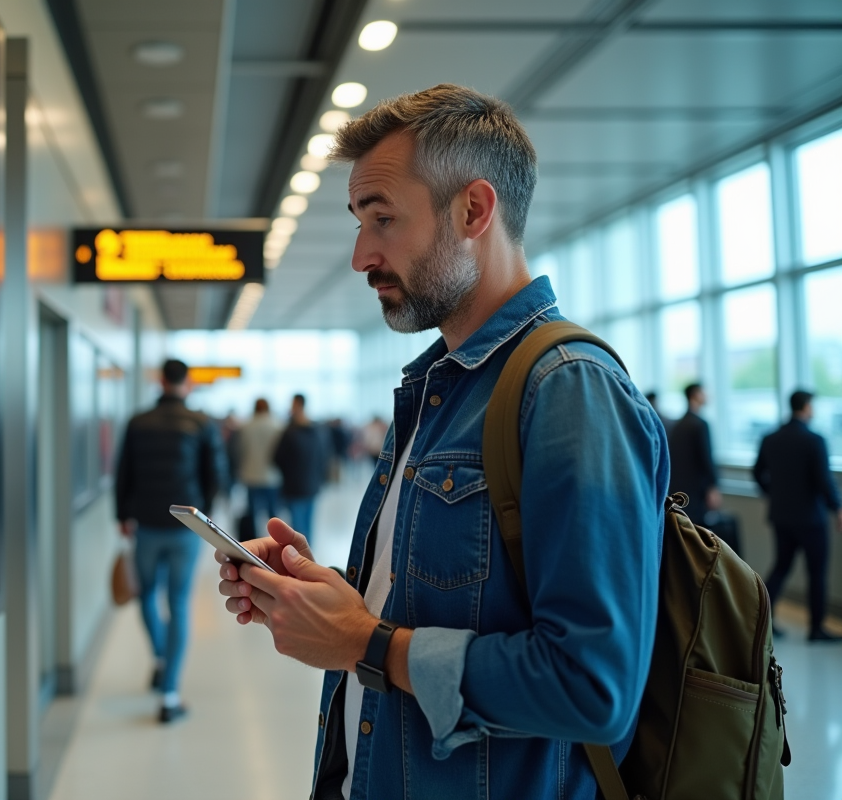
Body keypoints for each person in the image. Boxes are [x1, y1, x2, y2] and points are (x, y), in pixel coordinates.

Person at [215, 83, 667, 800]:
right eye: (359, 223)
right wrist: (329, 600)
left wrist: (364, 642)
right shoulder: (438, 390)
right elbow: (447, 606)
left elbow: (592, 686)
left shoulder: (567, 391)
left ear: (474, 211)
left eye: (383, 219)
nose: (361, 255)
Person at [115, 359, 226, 723]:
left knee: (147, 594)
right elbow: (216, 475)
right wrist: (204, 516)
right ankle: (170, 695)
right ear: (187, 383)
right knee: (178, 602)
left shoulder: (138, 422)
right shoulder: (201, 423)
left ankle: (161, 658)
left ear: (161, 381)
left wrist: (122, 515)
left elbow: (123, 472)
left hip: (146, 524)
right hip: (185, 526)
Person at [754, 390, 842, 642]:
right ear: (805, 407)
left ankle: (761, 621)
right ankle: (816, 628)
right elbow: (823, 480)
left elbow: (758, 472)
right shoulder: (814, 440)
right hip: (810, 518)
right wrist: (837, 507)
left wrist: (773, 493)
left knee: (781, 567)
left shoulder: (770, 438)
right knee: (816, 573)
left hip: (782, 516)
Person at [273, 394, 327, 544]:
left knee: (298, 528)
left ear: (297, 405)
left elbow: (277, 458)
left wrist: (288, 474)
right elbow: (323, 457)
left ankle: (300, 554)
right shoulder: (317, 431)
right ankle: (306, 554)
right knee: (307, 526)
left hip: (295, 486)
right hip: (311, 484)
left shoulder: (290, 431)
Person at [667, 383, 720, 525]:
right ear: (695, 395)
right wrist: (712, 487)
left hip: (680, 490)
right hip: (697, 491)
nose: (707, 396)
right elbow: (706, 458)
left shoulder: (678, 425)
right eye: (703, 392)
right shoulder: (699, 424)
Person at [234, 398, 283, 534]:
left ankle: (255, 541)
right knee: (273, 513)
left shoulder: (246, 426)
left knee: (252, 512)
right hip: (272, 475)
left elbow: (240, 450)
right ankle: (276, 539)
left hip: (251, 475)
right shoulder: (277, 426)